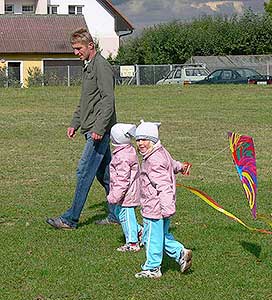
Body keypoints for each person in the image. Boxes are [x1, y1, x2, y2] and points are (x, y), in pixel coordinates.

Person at [46, 28, 117, 229]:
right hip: (90, 128)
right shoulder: (88, 66)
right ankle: (117, 214)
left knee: (84, 171)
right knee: (105, 174)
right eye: (74, 49)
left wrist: (99, 128)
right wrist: (74, 123)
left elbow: (108, 100)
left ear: (90, 46)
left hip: (97, 131)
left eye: (78, 48)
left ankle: (70, 219)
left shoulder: (101, 66)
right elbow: (85, 101)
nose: (75, 52)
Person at [134, 120, 192, 279]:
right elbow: (171, 164)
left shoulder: (153, 160)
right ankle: (181, 253)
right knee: (160, 235)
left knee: (152, 237)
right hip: (161, 207)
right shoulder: (160, 152)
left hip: (155, 207)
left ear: (153, 140)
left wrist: (167, 209)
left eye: (144, 139)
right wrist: (180, 167)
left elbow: (163, 186)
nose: (140, 143)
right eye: (138, 140)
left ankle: (152, 268)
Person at [107, 123, 142, 252]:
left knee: (126, 215)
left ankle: (132, 243)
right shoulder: (126, 151)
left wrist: (114, 195)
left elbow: (123, 180)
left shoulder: (123, 157)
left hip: (128, 192)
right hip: (128, 191)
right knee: (118, 212)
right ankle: (139, 231)